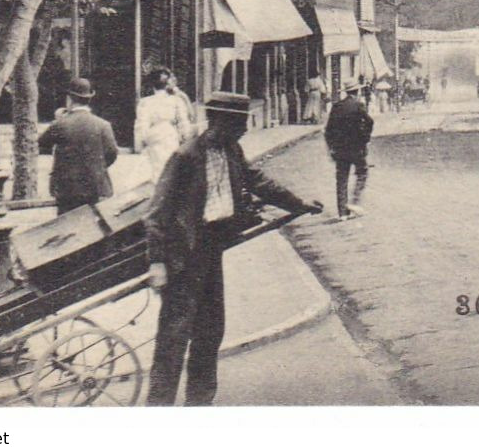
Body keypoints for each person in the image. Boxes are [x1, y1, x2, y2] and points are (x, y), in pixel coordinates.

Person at [144, 91, 321, 406]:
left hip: (211, 250)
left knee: (211, 329)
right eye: (240, 122)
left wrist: (298, 203)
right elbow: (157, 212)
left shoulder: (232, 150)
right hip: (183, 257)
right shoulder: (186, 157)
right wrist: (157, 262)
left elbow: (259, 181)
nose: (245, 129)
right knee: (174, 337)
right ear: (220, 121)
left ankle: (199, 402)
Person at [38, 77, 119, 214]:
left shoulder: (60, 124)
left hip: (66, 188)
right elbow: (112, 153)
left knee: (66, 227)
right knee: (93, 227)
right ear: (89, 99)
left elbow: (41, 144)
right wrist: (96, 166)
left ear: (69, 99)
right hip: (95, 186)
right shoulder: (103, 125)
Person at [325, 81, 375, 219]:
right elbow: (370, 122)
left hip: (340, 149)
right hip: (357, 147)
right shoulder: (359, 105)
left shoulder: (337, 106)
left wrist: (331, 148)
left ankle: (342, 213)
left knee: (341, 179)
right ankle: (355, 201)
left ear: (346, 92)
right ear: (357, 92)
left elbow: (328, 130)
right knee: (362, 172)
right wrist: (365, 138)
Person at [136, 68, 194, 180]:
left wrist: (141, 143)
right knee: (170, 167)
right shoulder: (176, 100)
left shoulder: (145, 102)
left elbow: (141, 124)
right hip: (170, 135)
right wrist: (186, 138)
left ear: (152, 85)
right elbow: (183, 122)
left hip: (153, 135)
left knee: (154, 168)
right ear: (167, 84)